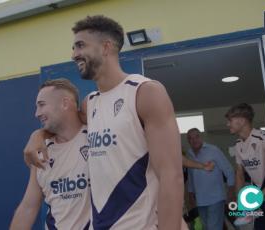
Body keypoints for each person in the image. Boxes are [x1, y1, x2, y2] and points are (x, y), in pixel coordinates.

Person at [24, 15, 188, 229]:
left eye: (80, 45)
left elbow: (171, 176)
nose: (74, 54)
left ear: (106, 47)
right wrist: (38, 135)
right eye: (73, 48)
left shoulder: (145, 92)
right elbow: (62, 125)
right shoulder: (89, 104)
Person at [10, 79, 91, 229]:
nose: (36, 113)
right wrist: (38, 134)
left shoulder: (97, 137)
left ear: (65, 103)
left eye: (42, 105)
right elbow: (28, 207)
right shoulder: (41, 152)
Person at [225, 103, 265, 229]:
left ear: (242, 120)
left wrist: (258, 197)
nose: (227, 124)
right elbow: (239, 174)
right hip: (262, 201)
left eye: (230, 120)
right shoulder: (238, 144)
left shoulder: (264, 139)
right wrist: (241, 203)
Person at [186, 128, 235, 230]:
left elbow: (228, 170)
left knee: (213, 227)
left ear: (201, 137)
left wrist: (231, 190)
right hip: (200, 200)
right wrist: (190, 194)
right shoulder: (189, 154)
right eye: (190, 138)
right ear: (188, 141)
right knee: (206, 227)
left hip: (216, 198)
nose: (194, 140)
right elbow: (190, 176)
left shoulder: (213, 150)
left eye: (196, 136)